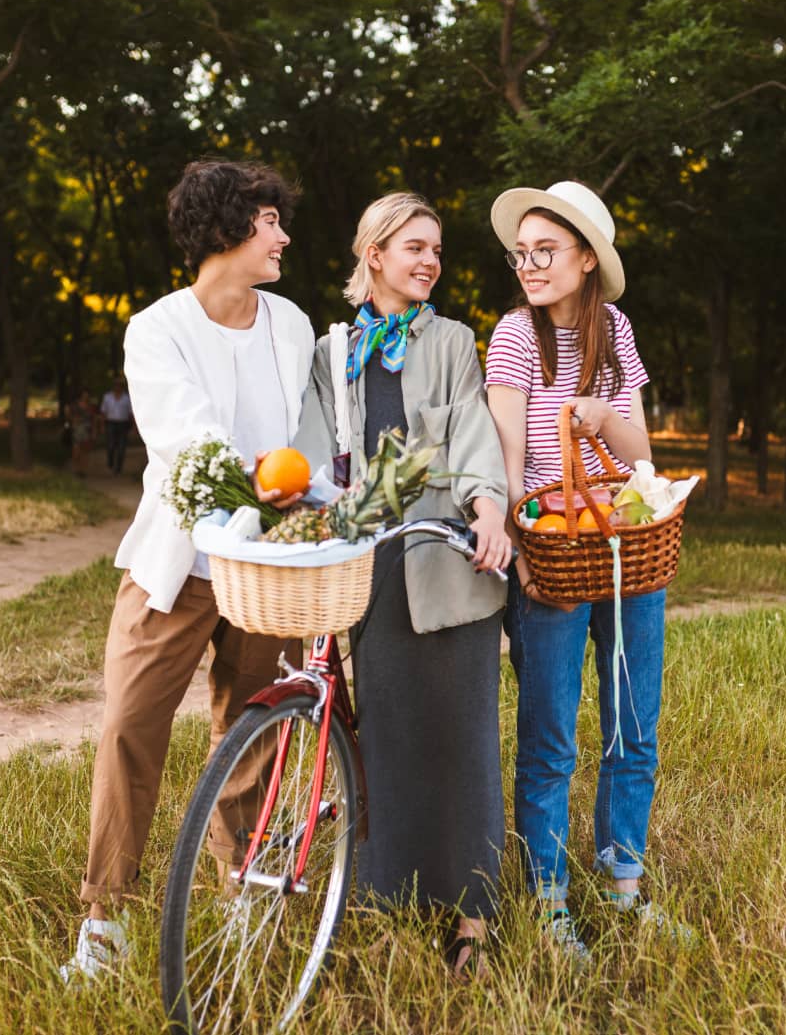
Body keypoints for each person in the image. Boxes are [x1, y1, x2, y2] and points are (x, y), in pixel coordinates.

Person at [60, 158, 314, 983]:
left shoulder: (292, 324)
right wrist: (268, 488)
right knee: (130, 724)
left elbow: (308, 435)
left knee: (249, 730)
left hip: (266, 570)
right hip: (179, 562)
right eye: (268, 219)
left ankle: (240, 889)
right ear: (225, 228)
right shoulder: (156, 328)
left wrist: (309, 502)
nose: (281, 234)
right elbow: (188, 441)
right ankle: (104, 917)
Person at [292, 192, 511, 979]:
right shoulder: (331, 350)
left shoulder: (452, 340)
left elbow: (471, 438)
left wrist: (489, 511)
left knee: (463, 742)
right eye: (413, 247)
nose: (429, 261)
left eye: (437, 250)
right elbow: (314, 456)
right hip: (370, 571)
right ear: (373, 254)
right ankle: (390, 894)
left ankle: (473, 914)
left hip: (447, 559)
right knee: (384, 737)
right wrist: (315, 507)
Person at [483, 180, 691, 963]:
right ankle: (546, 896)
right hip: (555, 555)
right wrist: (524, 552)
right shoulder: (511, 336)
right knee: (549, 737)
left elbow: (639, 457)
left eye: (545, 251)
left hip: (625, 547)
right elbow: (507, 461)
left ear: (585, 258)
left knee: (634, 726)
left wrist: (604, 416)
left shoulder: (617, 331)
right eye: (521, 253)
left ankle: (621, 880)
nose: (529, 265)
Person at [100, 377, 134, 475]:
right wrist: (102, 425)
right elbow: (103, 412)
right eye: (116, 385)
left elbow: (130, 413)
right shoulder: (107, 397)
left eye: (119, 386)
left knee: (122, 447)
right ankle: (110, 462)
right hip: (111, 423)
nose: (117, 387)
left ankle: (118, 468)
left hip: (123, 424)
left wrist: (133, 428)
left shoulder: (127, 398)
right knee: (110, 445)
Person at [67, 390, 97, 478]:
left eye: (87, 395)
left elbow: (94, 419)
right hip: (76, 430)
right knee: (76, 451)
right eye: (84, 394)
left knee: (85, 451)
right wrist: (74, 420)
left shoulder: (91, 406)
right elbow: (69, 416)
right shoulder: (74, 405)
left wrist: (94, 431)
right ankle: (77, 468)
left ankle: (82, 470)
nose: (86, 396)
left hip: (87, 430)